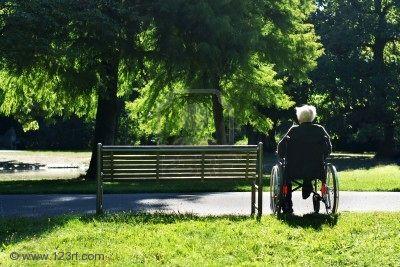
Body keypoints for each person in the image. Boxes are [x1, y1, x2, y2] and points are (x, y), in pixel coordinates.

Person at [277, 105, 332, 213]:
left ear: (299, 117)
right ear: (312, 117)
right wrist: (323, 157)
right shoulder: (320, 130)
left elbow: (281, 148)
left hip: (294, 169)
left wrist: (281, 155)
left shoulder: (293, 130)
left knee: (286, 175)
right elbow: (328, 149)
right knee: (310, 169)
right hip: (316, 169)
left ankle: (287, 203)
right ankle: (314, 191)